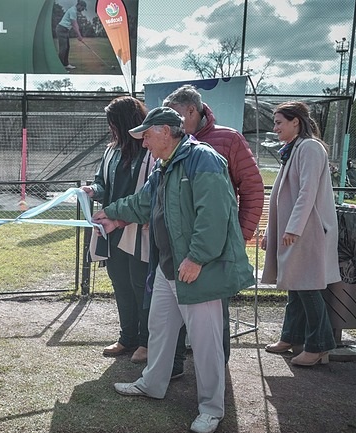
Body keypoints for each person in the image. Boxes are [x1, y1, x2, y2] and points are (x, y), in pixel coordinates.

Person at [93, 106, 254, 433]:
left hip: (198, 269)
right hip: (169, 267)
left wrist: (197, 258)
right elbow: (142, 202)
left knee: (206, 344)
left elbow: (214, 215)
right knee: (160, 329)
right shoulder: (165, 165)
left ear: (165, 131)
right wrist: (112, 214)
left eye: (146, 136)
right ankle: (153, 384)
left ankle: (211, 409)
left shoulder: (203, 160)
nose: (143, 143)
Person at [163, 84, 264, 368]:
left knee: (216, 311)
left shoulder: (228, 139)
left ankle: (217, 372)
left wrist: (239, 237)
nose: (171, 122)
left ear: (192, 110)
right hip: (177, 245)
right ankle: (175, 365)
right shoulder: (173, 143)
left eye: (175, 115)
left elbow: (253, 189)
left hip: (213, 246)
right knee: (176, 301)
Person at [261, 101, 340, 366]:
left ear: (296, 121)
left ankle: (319, 346)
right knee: (296, 284)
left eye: (279, 122)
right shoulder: (297, 147)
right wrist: (273, 232)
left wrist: (293, 228)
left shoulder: (309, 148)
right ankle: (291, 336)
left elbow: (306, 192)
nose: (275, 128)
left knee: (307, 286)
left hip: (308, 230)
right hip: (299, 230)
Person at [80, 96, 153, 363]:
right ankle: (127, 338)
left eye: (113, 121)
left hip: (140, 230)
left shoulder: (149, 150)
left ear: (124, 121)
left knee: (140, 284)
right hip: (113, 229)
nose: (110, 127)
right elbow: (103, 183)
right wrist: (93, 190)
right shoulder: (111, 150)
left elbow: (148, 194)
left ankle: (146, 342)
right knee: (120, 283)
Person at [55, 0, 86, 71]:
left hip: (65, 30)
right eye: (83, 8)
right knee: (63, 48)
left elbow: (75, 25)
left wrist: (78, 35)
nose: (82, 10)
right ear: (79, 6)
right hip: (61, 29)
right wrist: (79, 35)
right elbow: (74, 24)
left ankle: (66, 64)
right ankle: (59, 67)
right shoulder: (73, 11)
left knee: (67, 47)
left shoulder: (74, 11)